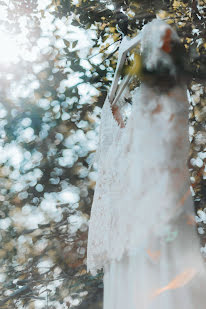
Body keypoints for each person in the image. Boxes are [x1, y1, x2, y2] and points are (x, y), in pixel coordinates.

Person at [87, 19, 206, 309]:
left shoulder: (160, 37)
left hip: (158, 234)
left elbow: (173, 127)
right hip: (121, 255)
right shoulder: (109, 114)